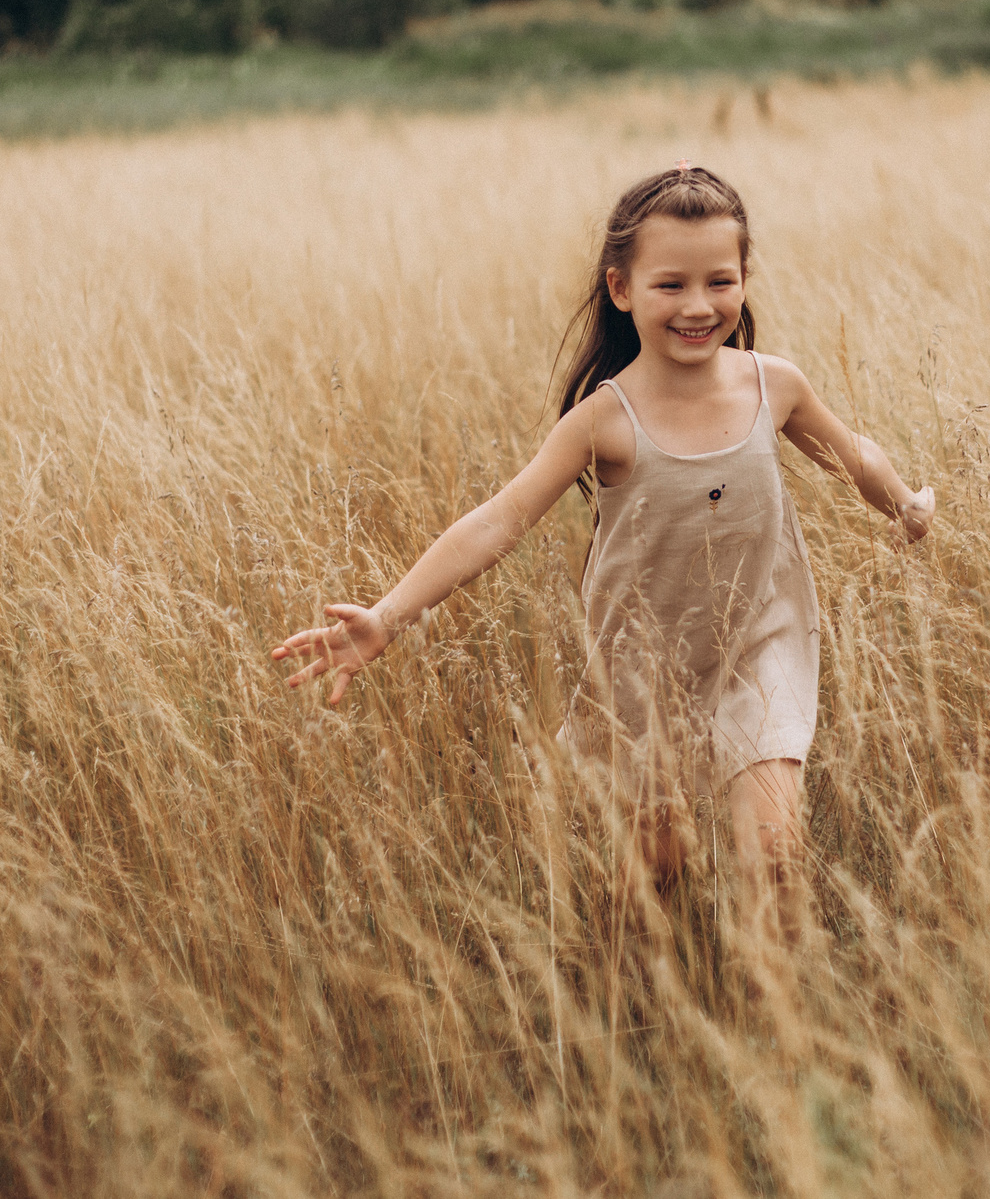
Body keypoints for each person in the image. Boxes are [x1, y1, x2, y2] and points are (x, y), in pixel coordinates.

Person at [272, 162, 933, 938]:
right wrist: (386, 617)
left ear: (745, 277)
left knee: (775, 852)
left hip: (761, 644)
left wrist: (908, 510)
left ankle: (774, 1038)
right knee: (659, 860)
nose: (698, 305)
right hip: (641, 662)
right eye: (670, 285)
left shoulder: (774, 386)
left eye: (720, 280)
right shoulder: (606, 419)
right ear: (621, 288)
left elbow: (853, 456)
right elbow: (499, 519)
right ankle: (621, 978)